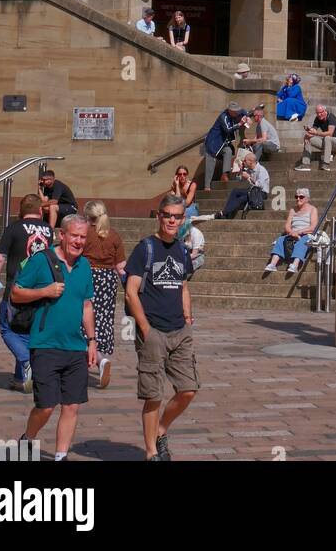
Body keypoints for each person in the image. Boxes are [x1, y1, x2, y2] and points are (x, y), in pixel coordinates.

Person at [10, 213, 96, 463]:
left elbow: (87, 305)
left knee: (72, 405)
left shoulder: (85, 265)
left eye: (83, 237)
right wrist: (44, 291)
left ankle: (60, 455)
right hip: (45, 344)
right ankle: (27, 437)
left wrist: (92, 341)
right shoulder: (41, 260)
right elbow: (16, 293)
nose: (79, 241)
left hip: (76, 346)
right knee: (46, 405)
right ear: (62, 235)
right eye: (74, 236)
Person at [124, 194, 199, 463]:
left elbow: (183, 285)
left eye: (177, 216)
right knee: (153, 395)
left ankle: (161, 431)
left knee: (188, 389)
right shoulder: (145, 248)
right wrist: (145, 329)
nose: (171, 220)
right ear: (159, 216)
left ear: (183, 219)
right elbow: (131, 292)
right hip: (152, 331)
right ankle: (151, 452)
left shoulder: (181, 250)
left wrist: (188, 318)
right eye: (167, 214)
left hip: (179, 331)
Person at [0, 194, 52, 392]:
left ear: (21, 211)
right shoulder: (48, 230)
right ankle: (20, 378)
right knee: (25, 332)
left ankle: (25, 361)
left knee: (7, 328)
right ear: (40, 211)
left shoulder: (13, 228)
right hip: (40, 289)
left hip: (17, 288)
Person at [82, 201, 126, 389]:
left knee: (82, 319)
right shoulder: (113, 235)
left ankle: (97, 359)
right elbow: (121, 266)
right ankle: (101, 357)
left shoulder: (84, 233)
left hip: (87, 275)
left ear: (87, 216)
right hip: (108, 279)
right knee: (103, 319)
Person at [263, 188, 318, 276]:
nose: (298, 199)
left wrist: (298, 232)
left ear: (307, 198)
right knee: (281, 239)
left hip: (306, 234)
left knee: (302, 241)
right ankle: (273, 264)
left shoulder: (313, 209)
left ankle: (295, 265)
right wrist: (292, 232)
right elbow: (287, 226)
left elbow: (313, 227)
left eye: (301, 197)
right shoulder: (293, 210)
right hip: (293, 233)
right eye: (296, 196)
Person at [202, 101, 251, 191]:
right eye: (234, 111)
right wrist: (239, 124)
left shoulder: (235, 113)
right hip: (213, 143)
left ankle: (225, 174)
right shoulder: (223, 117)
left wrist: (247, 117)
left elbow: (243, 111)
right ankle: (207, 186)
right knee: (210, 163)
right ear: (230, 111)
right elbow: (228, 130)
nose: (237, 113)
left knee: (228, 151)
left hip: (223, 143)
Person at [216, 152, 269, 219]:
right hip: (252, 191)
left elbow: (260, 185)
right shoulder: (250, 169)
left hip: (261, 193)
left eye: (245, 160)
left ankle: (224, 213)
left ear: (250, 162)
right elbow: (239, 179)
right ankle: (226, 212)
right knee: (235, 191)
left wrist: (249, 177)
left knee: (240, 199)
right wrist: (241, 170)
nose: (243, 162)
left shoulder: (261, 170)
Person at [296, 103, 336, 172]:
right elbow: (313, 130)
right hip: (326, 143)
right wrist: (308, 132)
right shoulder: (317, 118)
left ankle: (326, 164)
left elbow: (330, 133)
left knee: (327, 137)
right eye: (317, 113)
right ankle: (305, 164)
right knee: (309, 139)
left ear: (325, 111)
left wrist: (316, 133)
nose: (319, 115)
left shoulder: (331, 117)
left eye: (321, 112)